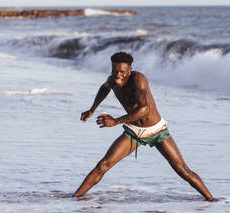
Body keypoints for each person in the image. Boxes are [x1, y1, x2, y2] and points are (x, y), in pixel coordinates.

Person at [73, 52, 215, 201]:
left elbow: (144, 109)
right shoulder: (112, 80)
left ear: (130, 70)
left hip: (157, 130)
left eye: (122, 72)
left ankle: (212, 200)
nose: (118, 75)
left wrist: (115, 122)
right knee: (103, 165)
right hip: (135, 132)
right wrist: (92, 109)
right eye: (115, 71)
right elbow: (104, 88)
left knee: (183, 171)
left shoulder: (138, 79)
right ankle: (74, 198)